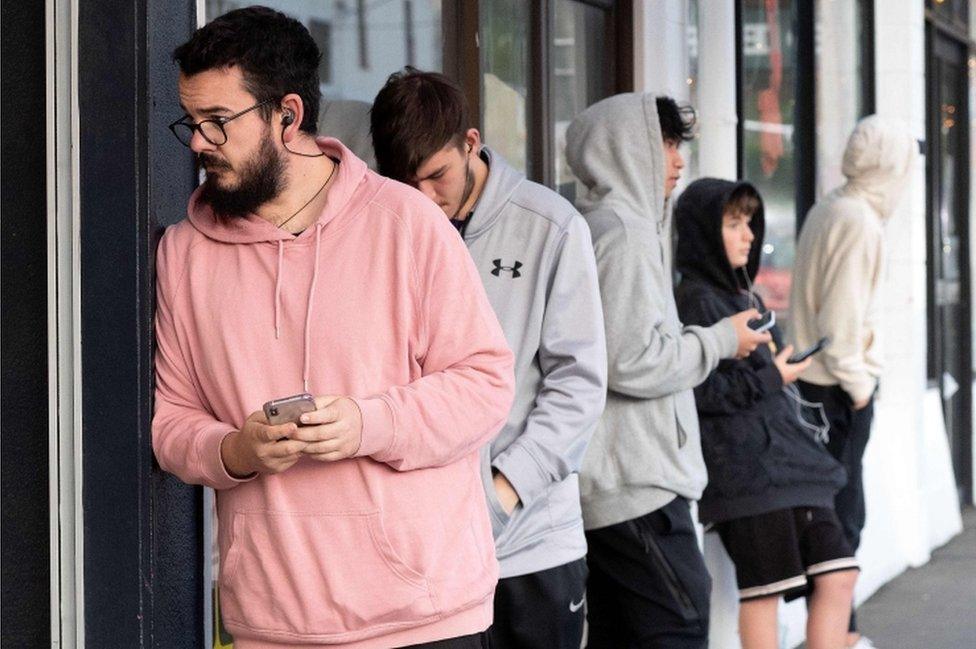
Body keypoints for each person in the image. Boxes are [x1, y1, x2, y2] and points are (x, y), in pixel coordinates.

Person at [152, 8, 515, 649]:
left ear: (286, 115)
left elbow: (484, 385)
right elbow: (172, 420)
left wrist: (365, 422)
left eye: (217, 123)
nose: (197, 143)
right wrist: (236, 451)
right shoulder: (183, 254)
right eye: (193, 121)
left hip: (426, 617)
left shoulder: (407, 223)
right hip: (275, 624)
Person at [370, 67, 607, 649]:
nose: (423, 197)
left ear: (470, 143)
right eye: (406, 182)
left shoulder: (551, 227)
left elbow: (578, 384)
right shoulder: (384, 229)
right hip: (422, 562)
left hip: (531, 549)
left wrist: (502, 493)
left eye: (437, 176)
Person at [564, 93, 771, 648]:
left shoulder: (608, 225)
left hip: (621, 484)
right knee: (675, 631)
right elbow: (632, 359)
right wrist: (721, 340)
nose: (678, 160)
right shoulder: (624, 232)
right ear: (627, 146)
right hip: (638, 487)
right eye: (667, 143)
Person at [674, 178, 858, 649]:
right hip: (744, 474)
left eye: (749, 223)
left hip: (788, 463)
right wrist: (772, 376)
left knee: (840, 574)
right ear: (703, 233)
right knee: (765, 593)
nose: (748, 235)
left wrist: (777, 373)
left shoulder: (741, 296)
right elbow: (699, 391)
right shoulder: (695, 299)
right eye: (733, 224)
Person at [790, 115, 917, 649]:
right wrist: (861, 390)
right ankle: (840, 637)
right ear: (892, 164)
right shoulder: (858, 219)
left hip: (815, 388)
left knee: (834, 519)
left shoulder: (832, 206)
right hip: (835, 389)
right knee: (842, 523)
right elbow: (841, 322)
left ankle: (844, 633)